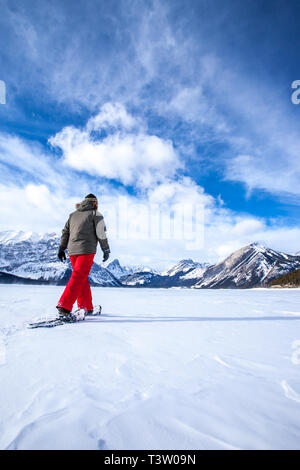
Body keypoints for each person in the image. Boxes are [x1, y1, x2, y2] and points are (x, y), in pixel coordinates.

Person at [56, 193, 110, 320]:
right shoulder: (96, 215)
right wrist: (105, 249)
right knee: (79, 275)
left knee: (81, 277)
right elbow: (101, 233)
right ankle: (64, 306)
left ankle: (86, 307)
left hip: (72, 251)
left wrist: (62, 248)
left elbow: (65, 232)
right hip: (86, 249)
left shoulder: (73, 215)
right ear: (94, 202)